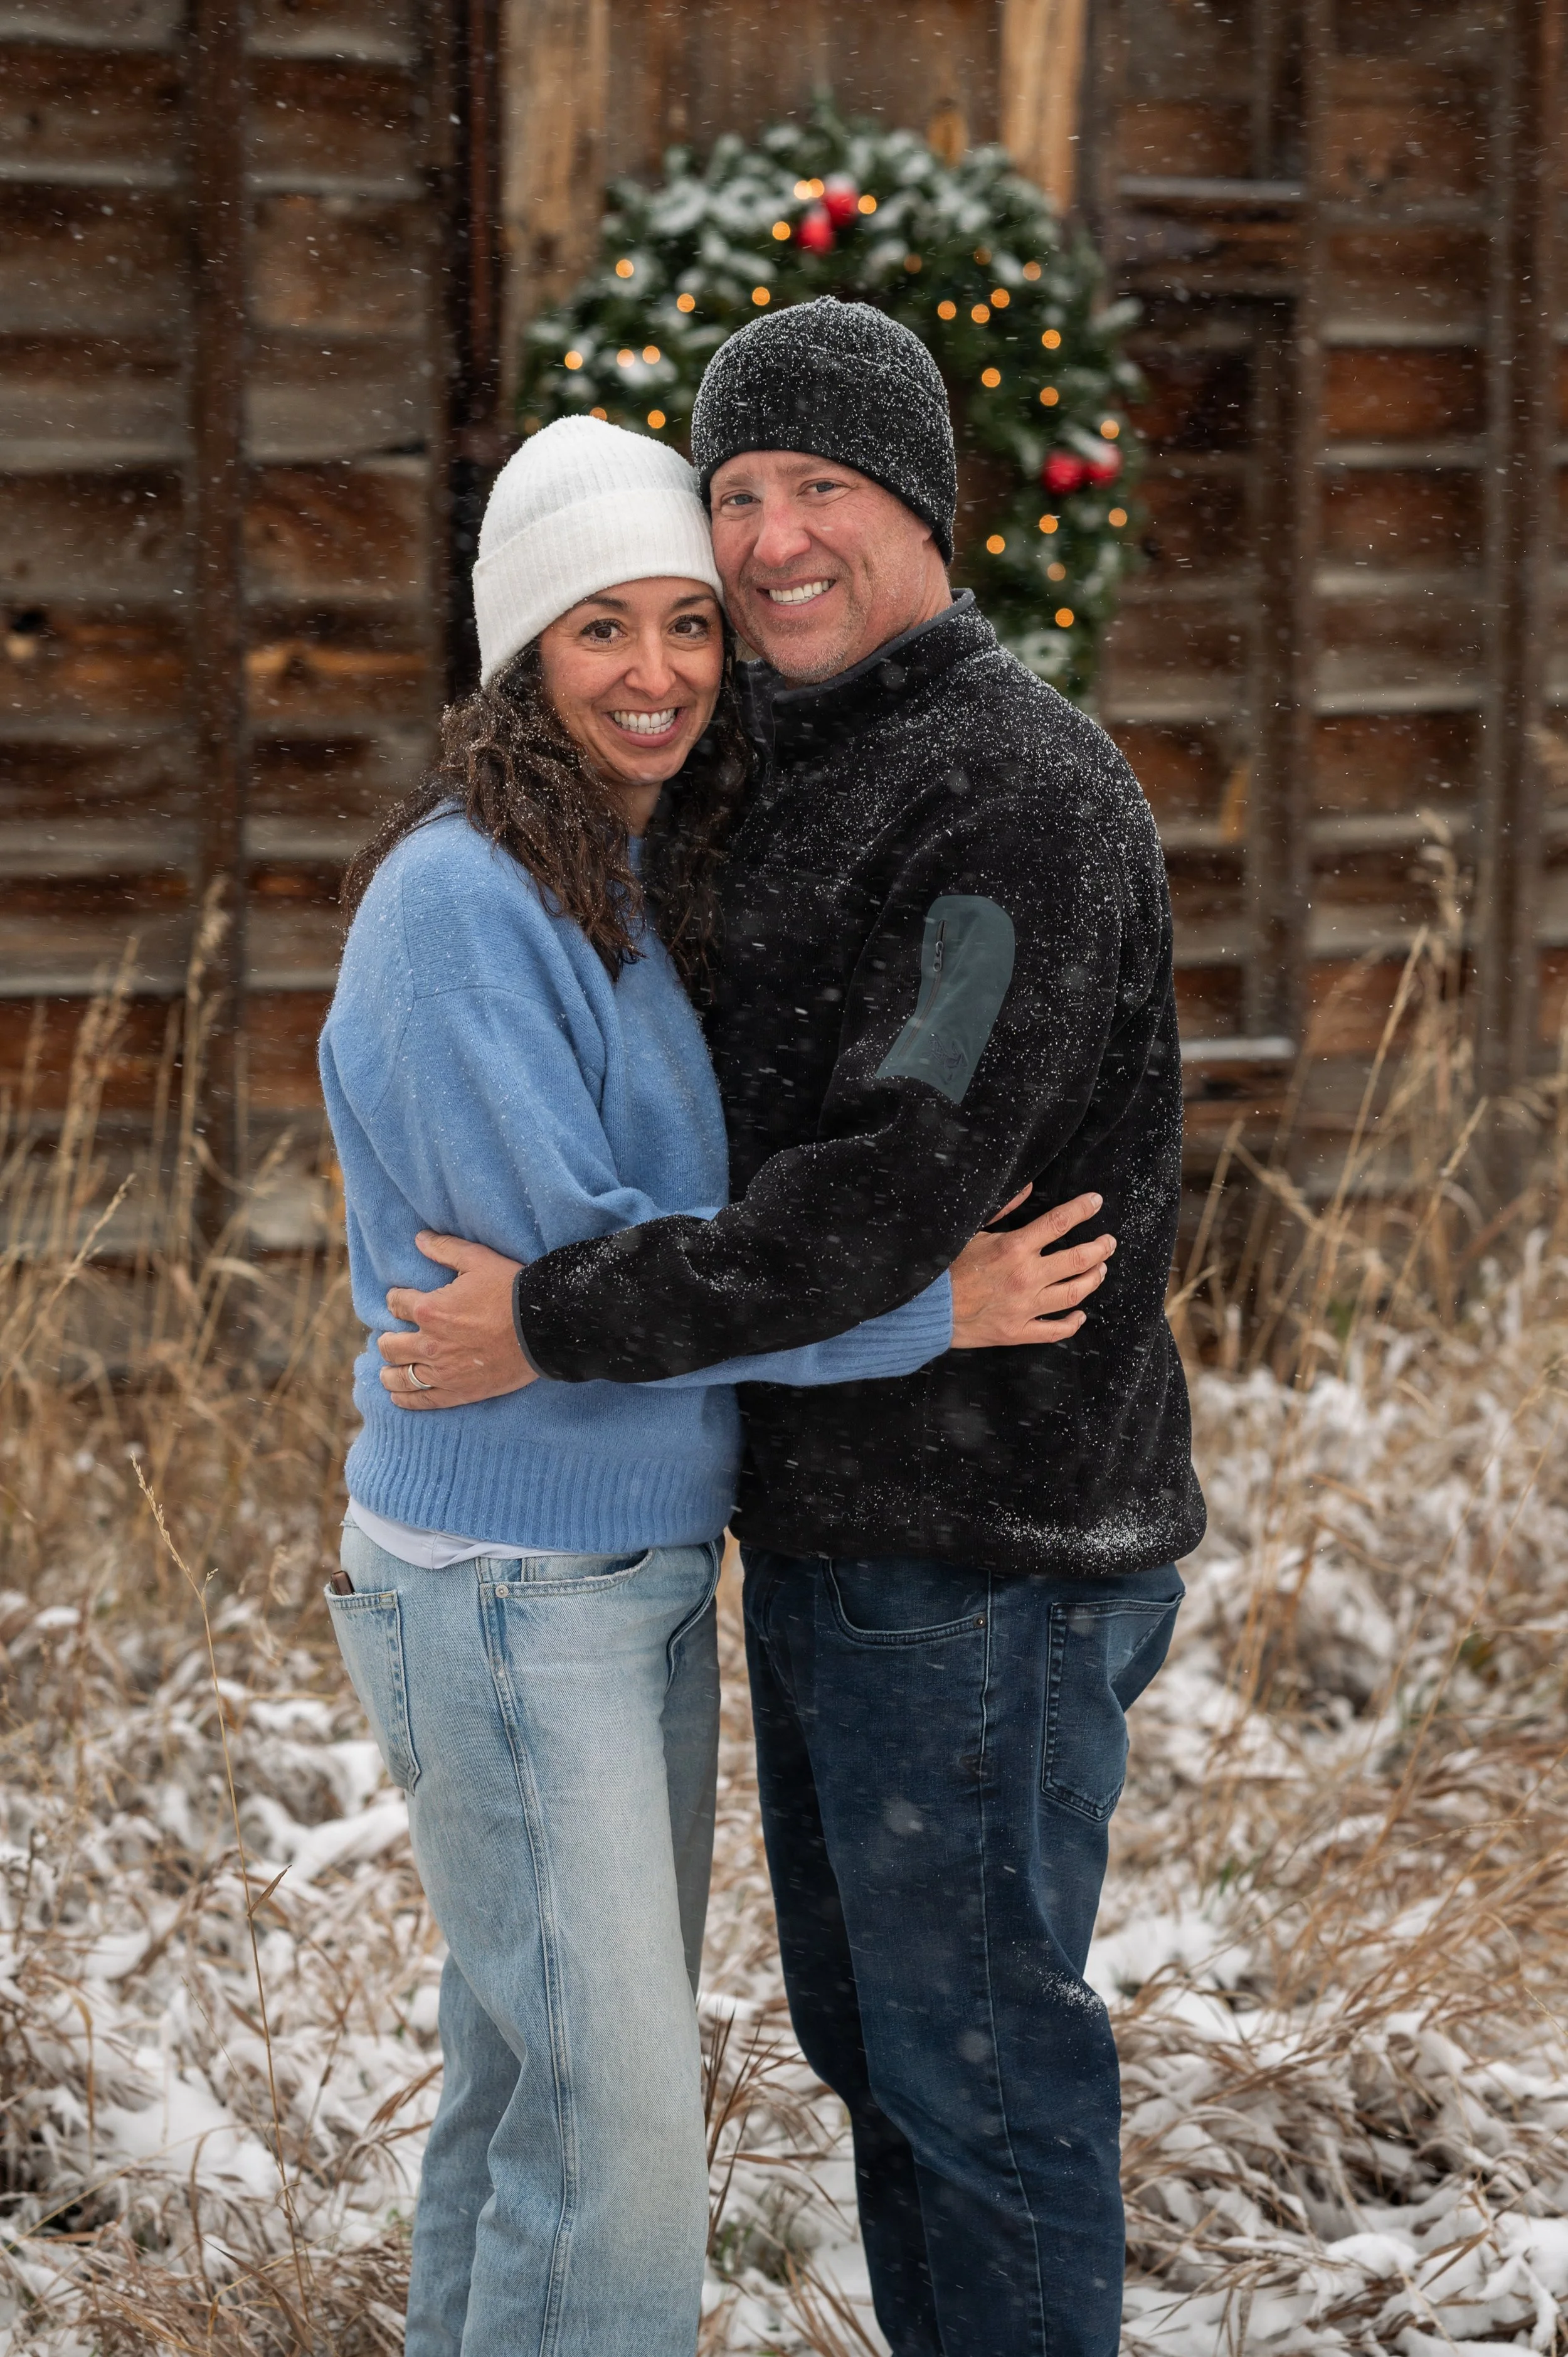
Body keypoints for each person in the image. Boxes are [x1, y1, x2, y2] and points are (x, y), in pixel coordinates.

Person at [377, 307, 1205, 2357]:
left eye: (817, 488)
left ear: (918, 504)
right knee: (889, 2054)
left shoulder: (1006, 792)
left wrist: (554, 1316)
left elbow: (877, 1190)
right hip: (834, 1530)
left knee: (975, 2071)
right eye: (734, 494)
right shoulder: (772, 775)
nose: (766, 545)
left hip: (985, 1544)